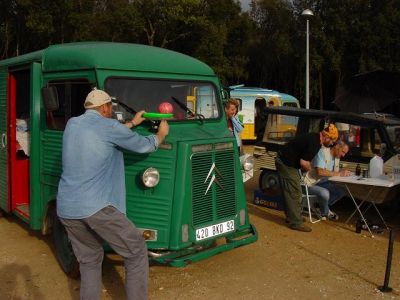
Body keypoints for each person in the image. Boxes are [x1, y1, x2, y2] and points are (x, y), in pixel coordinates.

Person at [57, 88, 169, 300]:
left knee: (89, 261)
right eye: (111, 107)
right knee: (135, 251)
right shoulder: (108, 126)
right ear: (106, 107)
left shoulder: (72, 124)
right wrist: (160, 135)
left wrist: (132, 124)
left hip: (67, 209)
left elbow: (105, 135)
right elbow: (143, 145)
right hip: (97, 208)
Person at [275, 123, 339, 232]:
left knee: (293, 191)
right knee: (294, 192)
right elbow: (304, 162)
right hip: (285, 163)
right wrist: (310, 170)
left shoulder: (314, 138)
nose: (332, 143)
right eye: (332, 141)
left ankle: (293, 217)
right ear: (327, 136)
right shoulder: (315, 143)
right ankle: (295, 222)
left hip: (287, 162)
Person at [305, 141, 351, 220]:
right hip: (310, 183)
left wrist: (343, 171)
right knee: (325, 193)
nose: (343, 155)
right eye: (343, 152)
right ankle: (325, 212)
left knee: (341, 191)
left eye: (345, 153)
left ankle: (318, 206)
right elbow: (320, 171)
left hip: (322, 182)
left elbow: (333, 172)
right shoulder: (322, 152)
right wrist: (339, 173)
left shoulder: (336, 158)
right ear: (337, 147)